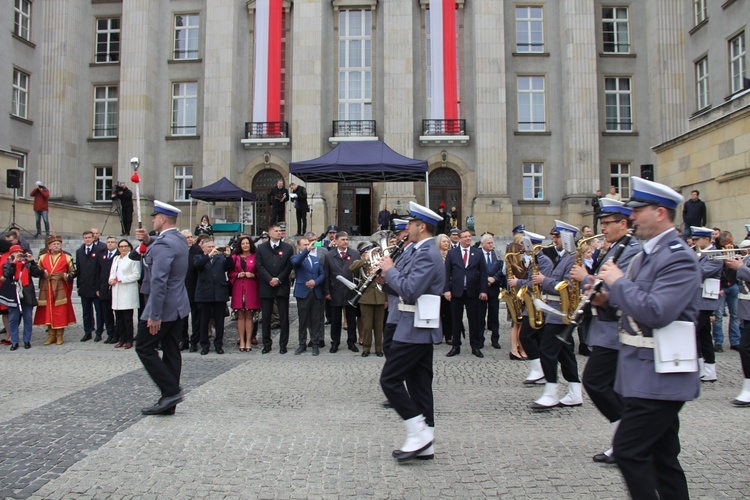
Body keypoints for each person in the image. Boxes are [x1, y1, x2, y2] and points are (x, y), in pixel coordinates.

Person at [595, 176, 701, 500]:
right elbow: (630, 306)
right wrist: (604, 300)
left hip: (661, 376)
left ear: (660, 213)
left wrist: (616, 282)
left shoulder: (678, 256)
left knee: (628, 451)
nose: (633, 218)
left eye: (638, 210)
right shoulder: (644, 256)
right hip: (642, 373)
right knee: (663, 459)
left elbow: (656, 312)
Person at [570, 198, 641, 464]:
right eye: (601, 223)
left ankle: (625, 438)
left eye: (607, 223)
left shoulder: (630, 250)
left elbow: (619, 286)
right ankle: (625, 440)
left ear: (624, 223)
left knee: (596, 382)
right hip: (606, 327)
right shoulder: (616, 248)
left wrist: (586, 278)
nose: (603, 229)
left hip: (617, 329)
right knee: (613, 386)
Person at [378, 201, 445, 463]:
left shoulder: (428, 252)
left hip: (415, 327)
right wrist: (386, 280)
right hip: (413, 323)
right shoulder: (419, 249)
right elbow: (402, 286)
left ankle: (418, 431)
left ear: (422, 226)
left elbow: (410, 289)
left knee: (390, 380)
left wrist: (390, 270)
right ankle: (426, 439)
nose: (407, 228)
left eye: (411, 224)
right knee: (419, 385)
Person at [134, 200, 191, 416]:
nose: (152, 220)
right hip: (178, 305)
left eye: (154, 217)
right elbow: (163, 244)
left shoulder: (163, 244)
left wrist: (154, 314)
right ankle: (169, 400)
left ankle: (171, 391)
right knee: (171, 350)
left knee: (144, 348)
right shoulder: (176, 238)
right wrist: (149, 240)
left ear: (163, 219)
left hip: (164, 307)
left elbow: (159, 281)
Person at [530, 220, 582, 410]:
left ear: (568, 237)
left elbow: (567, 285)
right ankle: (575, 391)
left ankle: (551, 391)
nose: (554, 239)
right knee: (565, 353)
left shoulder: (574, 258)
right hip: (555, 308)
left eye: (557, 236)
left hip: (561, 311)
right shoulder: (565, 257)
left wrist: (544, 281)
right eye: (553, 236)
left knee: (547, 350)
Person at [511, 231, 554, 383]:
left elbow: (538, 283)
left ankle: (540, 370)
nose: (522, 247)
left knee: (527, 336)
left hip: (539, 302)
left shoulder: (544, 261)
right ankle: (540, 370)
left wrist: (518, 283)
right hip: (533, 302)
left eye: (524, 244)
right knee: (533, 337)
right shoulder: (535, 260)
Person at [444, 229, 488, 358]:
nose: (468, 238)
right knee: (456, 320)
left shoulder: (478, 253)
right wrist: (446, 289)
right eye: (465, 237)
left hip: (473, 292)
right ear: (460, 239)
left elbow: (483, 274)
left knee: (473, 320)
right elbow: (447, 273)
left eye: (469, 236)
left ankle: (475, 346)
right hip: (456, 292)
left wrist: (483, 290)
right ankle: (455, 346)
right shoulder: (452, 253)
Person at [256, 223, 294, 354]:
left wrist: (278, 279)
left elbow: (289, 266)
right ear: (269, 233)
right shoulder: (261, 248)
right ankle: (266, 344)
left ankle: (283, 344)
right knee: (266, 317)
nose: (279, 233)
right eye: (276, 231)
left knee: (283, 317)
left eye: (281, 231)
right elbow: (259, 266)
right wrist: (269, 279)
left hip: (281, 285)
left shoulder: (288, 248)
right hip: (266, 286)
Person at [691, 226, 722, 382]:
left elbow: (701, 272)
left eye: (698, 239)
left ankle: (701, 368)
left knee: (693, 332)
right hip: (697, 299)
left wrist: (689, 263)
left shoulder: (715, 254)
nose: (695, 242)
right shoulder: (698, 253)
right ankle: (707, 369)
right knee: (703, 335)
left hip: (705, 300)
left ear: (707, 240)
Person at [33, 235, 76, 345]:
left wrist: (68, 276)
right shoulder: (42, 257)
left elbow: (73, 272)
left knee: (60, 311)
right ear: (49, 246)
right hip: (47, 286)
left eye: (58, 244)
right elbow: (37, 270)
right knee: (48, 310)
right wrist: (43, 272)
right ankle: (51, 336)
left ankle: (59, 336)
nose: (57, 246)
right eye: (54, 244)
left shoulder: (66, 257)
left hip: (60, 287)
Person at [193, 237, 233, 355]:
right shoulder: (199, 257)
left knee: (220, 321)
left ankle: (218, 344)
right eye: (209, 247)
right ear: (203, 248)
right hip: (205, 293)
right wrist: (209, 255)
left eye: (213, 246)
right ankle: (204, 344)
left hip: (219, 292)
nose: (212, 248)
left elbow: (229, 267)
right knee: (204, 320)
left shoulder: (220, 257)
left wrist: (228, 256)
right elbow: (197, 266)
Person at [324, 231, 361, 353]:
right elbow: (327, 275)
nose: (345, 242)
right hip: (335, 292)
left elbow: (359, 274)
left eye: (346, 239)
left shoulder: (355, 254)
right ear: (336, 241)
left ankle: (351, 342)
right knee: (335, 320)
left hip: (351, 292)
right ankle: (335, 342)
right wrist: (327, 292)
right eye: (342, 240)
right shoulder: (329, 255)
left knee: (351, 319)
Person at [0, 245, 41, 350]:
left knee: (27, 317)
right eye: (16, 252)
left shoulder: (27, 264)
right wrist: (14, 262)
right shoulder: (8, 263)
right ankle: (14, 341)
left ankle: (27, 340)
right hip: (14, 294)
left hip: (27, 293)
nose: (18, 254)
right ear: (11, 254)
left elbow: (37, 273)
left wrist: (32, 261)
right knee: (13, 318)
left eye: (20, 252)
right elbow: (7, 274)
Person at [350, 242, 387, 357]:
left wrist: (386, 299)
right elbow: (352, 268)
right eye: (368, 251)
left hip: (380, 296)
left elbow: (386, 280)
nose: (373, 253)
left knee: (379, 326)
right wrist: (365, 259)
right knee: (367, 325)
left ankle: (378, 349)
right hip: (366, 298)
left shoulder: (380, 262)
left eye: (373, 251)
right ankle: (366, 348)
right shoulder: (360, 263)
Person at [725, 241, 750, 406]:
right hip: (746, 312)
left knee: (745, 347)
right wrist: (732, 265)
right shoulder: (747, 259)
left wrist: (740, 267)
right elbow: (733, 280)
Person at [291, 236, 325, 355]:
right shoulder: (296, 257)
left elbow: (322, 274)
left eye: (308, 244)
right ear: (299, 246)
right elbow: (296, 262)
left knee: (316, 320)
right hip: (303, 292)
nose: (307, 246)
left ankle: (315, 343)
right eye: (304, 245)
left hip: (315, 292)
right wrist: (306, 251)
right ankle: (302, 344)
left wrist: (316, 282)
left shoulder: (315, 259)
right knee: (303, 320)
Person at [228, 235, 260, 352]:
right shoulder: (234, 257)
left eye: (247, 243)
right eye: (243, 243)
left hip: (251, 287)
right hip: (238, 287)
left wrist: (254, 275)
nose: (245, 245)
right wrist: (237, 275)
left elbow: (260, 271)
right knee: (240, 314)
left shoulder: (255, 257)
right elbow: (230, 272)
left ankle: (249, 340)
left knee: (249, 314)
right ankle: (241, 339)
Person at [109, 239, 141, 349]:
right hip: (117, 290)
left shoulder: (133, 259)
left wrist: (122, 279)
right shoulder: (116, 258)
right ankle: (121, 339)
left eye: (125, 246)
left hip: (127, 291)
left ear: (129, 247)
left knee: (127, 318)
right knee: (119, 318)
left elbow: (137, 275)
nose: (123, 248)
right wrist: (111, 279)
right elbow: (112, 272)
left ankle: (129, 340)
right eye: (121, 246)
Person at [713, 230, 741, 352]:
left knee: (735, 315)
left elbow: (739, 265)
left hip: (733, 285)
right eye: (729, 242)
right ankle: (718, 342)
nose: (732, 244)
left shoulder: (735, 249)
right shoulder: (716, 251)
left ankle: (735, 341)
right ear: (723, 242)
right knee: (718, 316)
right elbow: (718, 269)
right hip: (722, 286)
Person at [76, 230, 105, 342]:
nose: (87, 239)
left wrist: (99, 287)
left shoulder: (99, 250)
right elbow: (79, 270)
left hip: (95, 287)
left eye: (89, 237)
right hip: (84, 286)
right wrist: (78, 285)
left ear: (93, 238)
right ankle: (87, 332)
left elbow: (100, 270)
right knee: (86, 312)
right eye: (85, 237)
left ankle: (99, 332)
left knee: (99, 311)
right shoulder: (79, 251)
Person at [478, 233, 505, 349]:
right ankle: (480, 339)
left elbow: (501, 269)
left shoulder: (497, 254)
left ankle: (495, 339)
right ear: (482, 244)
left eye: (492, 242)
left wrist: (494, 278)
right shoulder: (477, 254)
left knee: (494, 315)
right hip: (481, 290)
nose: (491, 245)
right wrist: (485, 280)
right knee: (480, 316)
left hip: (494, 289)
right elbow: (474, 269)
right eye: (488, 243)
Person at [97, 236, 118, 344]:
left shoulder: (119, 255)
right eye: (108, 242)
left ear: (116, 244)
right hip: (104, 288)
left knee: (118, 313)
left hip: (116, 288)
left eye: (112, 242)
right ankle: (110, 333)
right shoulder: (102, 255)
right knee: (106, 313)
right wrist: (98, 288)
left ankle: (118, 334)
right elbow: (97, 272)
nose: (110, 244)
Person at [435, 233, 453, 345]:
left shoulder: (452, 255)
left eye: (447, 241)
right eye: (444, 241)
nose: (446, 243)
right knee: (437, 313)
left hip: (449, 288)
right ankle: (437, 336)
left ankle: (449, 335)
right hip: (437, 288)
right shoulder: (435, 255)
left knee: (449, 313)